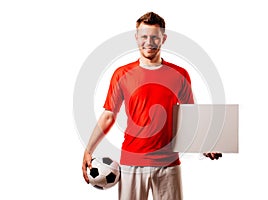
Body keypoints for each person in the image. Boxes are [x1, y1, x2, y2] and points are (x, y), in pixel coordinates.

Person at [82, 11, 221, 200]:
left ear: (163, 39)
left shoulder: (180, 74)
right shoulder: (121, 74)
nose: (149, 42)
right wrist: (89, 149)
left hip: (168, 163)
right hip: (132, 163)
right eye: (144, 36)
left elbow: (191, 116)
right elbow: (109, 115)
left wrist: (206, 144)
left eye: (155, 37)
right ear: (136, 38)